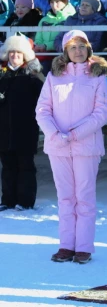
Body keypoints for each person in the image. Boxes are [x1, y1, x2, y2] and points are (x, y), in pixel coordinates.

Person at [35, 30, 107, 264]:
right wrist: (55, 133)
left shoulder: (97, 76)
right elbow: (42, 109)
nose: (78, 51)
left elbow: (101, 112)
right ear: (65, 51)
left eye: (82, 46)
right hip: (58, 146)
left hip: (86, 146)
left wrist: (76, 133)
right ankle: (66, 245)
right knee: (65, 198)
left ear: (88, 48)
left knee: (84, 197)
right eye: (73, 47)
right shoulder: (54, 76)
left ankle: (84, 247)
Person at [0, 35, 45, 212]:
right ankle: (7, 199)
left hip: (25, 128)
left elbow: (44, 97)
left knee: (26, 165)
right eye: (11, 52)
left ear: (25, 55)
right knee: (7, 166)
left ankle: (25, 201)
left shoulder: (33, 75)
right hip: (4, 129)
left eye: (18, 53)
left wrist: (37, 71)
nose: (14, 56)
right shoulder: (2, 75)